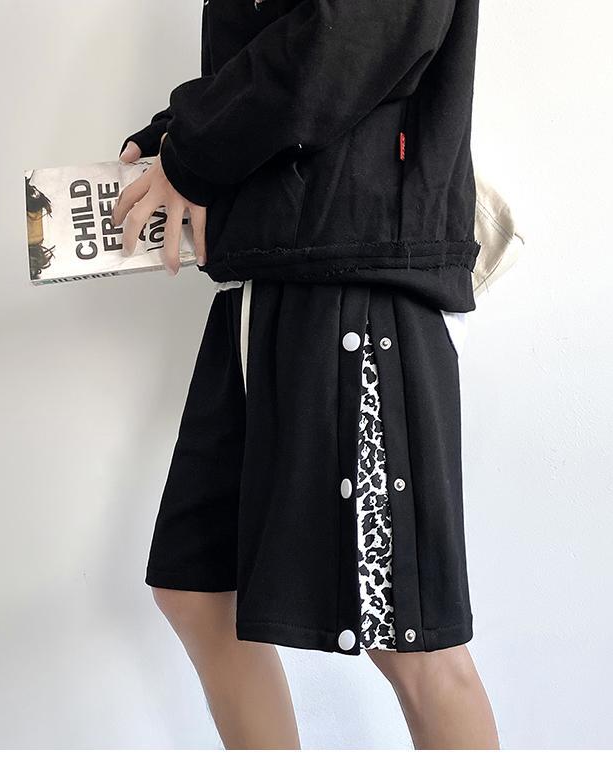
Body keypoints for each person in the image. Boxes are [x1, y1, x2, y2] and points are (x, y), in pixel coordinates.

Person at [113, 0, 498, 750]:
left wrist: (196, 147)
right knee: (195, 590)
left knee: (413, 642)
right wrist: (180, 135)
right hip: (268, 277)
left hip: (354, 282)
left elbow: (343, 37)